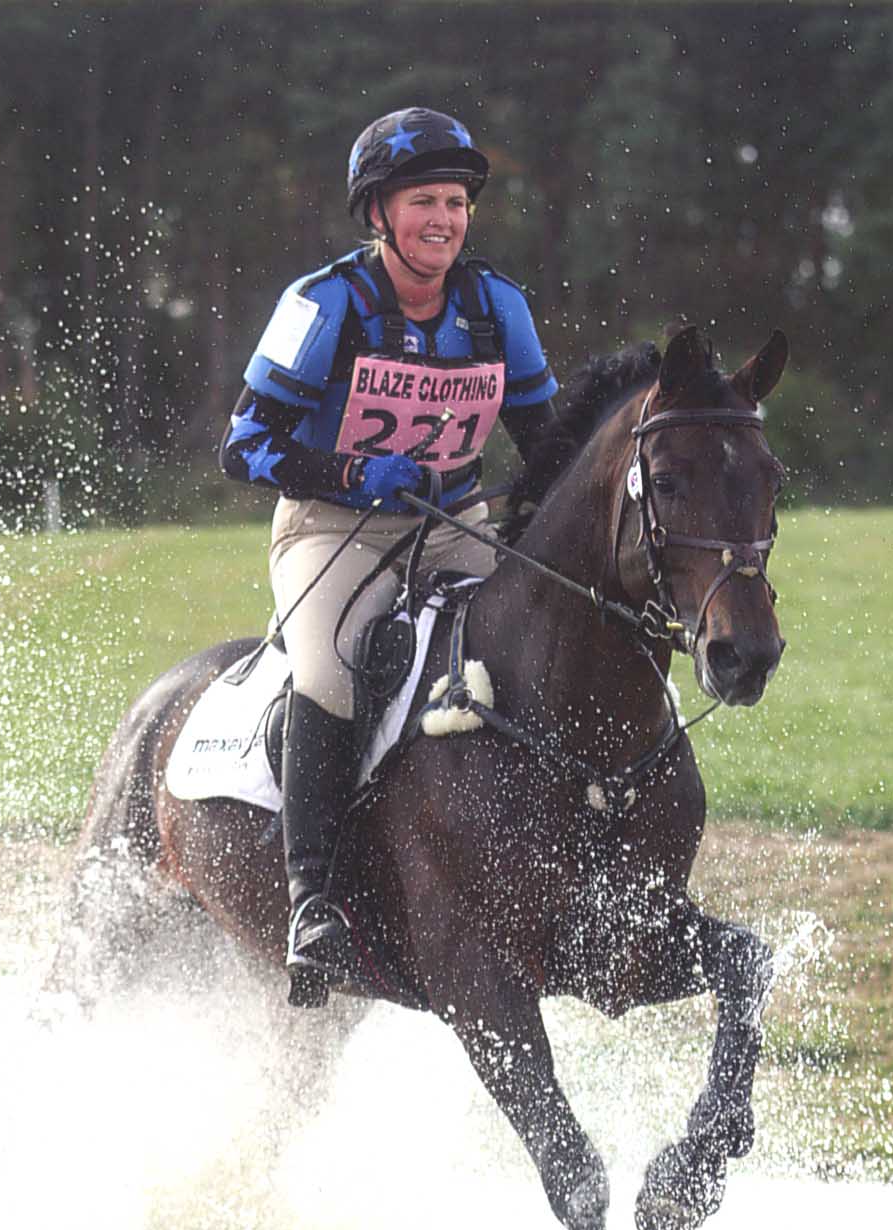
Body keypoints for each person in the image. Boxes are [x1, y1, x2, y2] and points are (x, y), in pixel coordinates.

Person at [220, 106, 558, 1006]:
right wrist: (354, 472)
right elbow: (243, 444)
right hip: (333, 528)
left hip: (456, 521)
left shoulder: (497, 307)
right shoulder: (322, 303)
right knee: (330, 674)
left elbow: (545, 438)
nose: (443, 218)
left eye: (455, 202)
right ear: (377, 213)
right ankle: (312, 904)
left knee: (537, 649)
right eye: (422, 202)